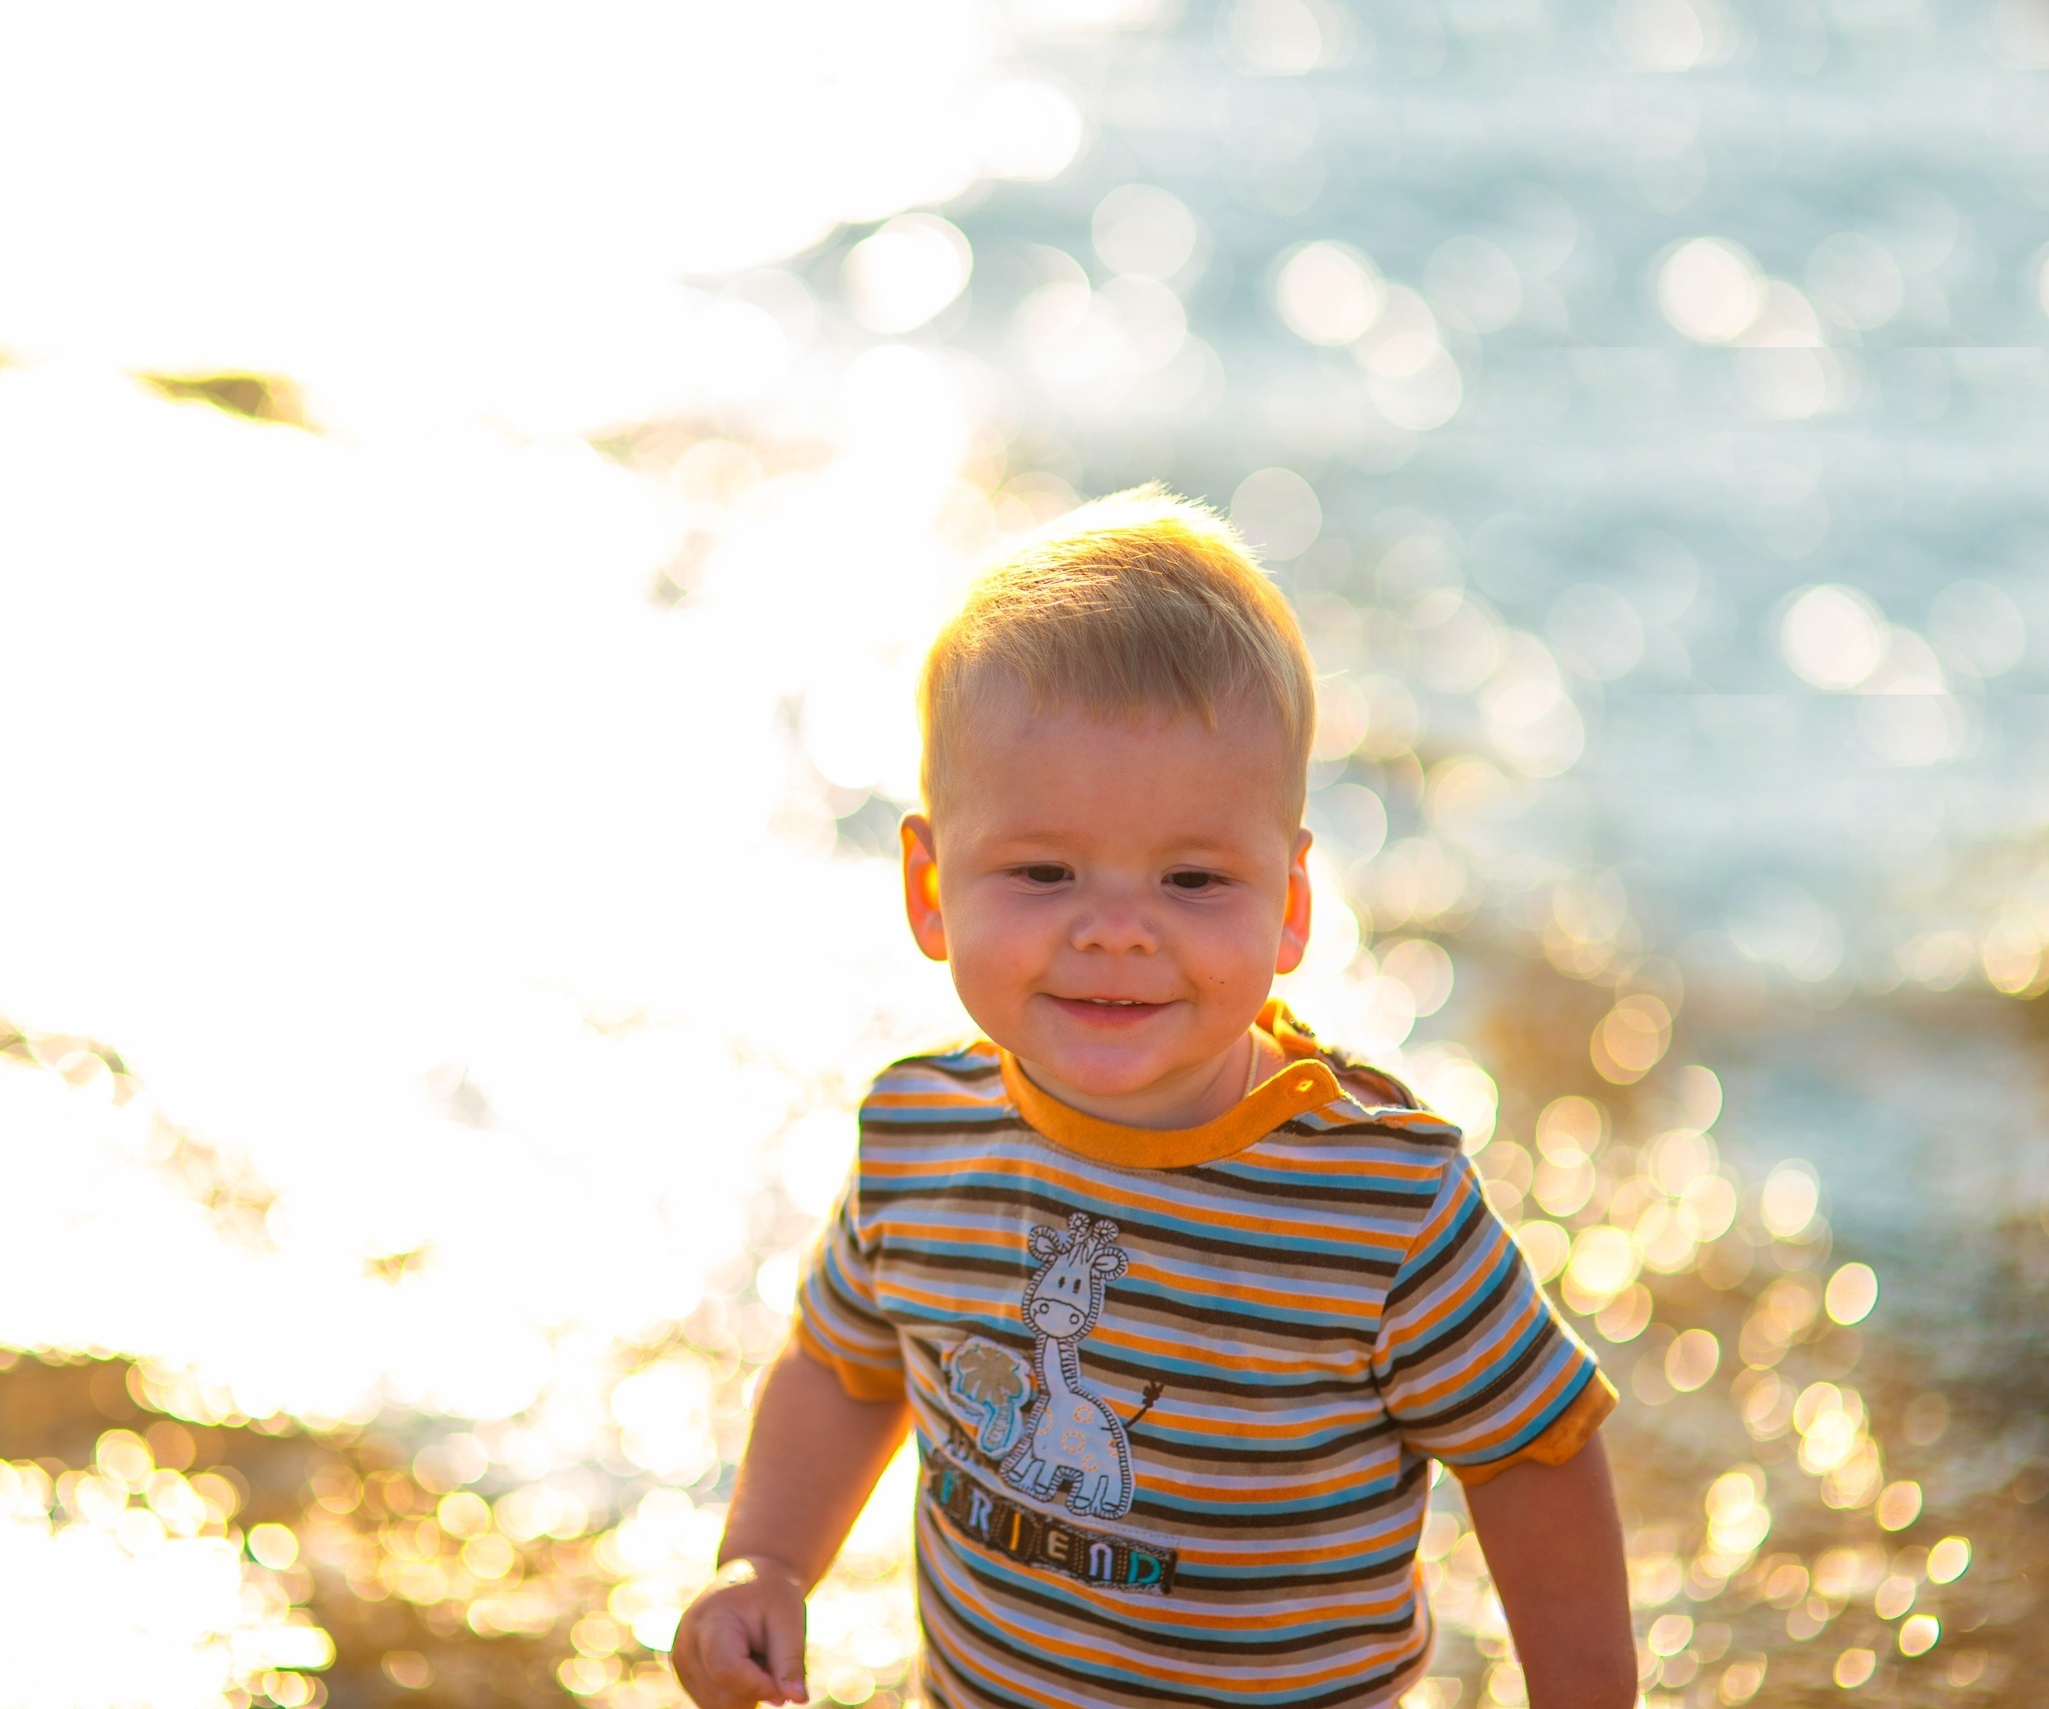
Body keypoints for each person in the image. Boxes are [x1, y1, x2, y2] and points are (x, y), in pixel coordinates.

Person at [670, 488, 1637, 1709]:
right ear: (928, 886)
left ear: (1290, 907)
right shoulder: (918, 1134)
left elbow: (1530, 1453)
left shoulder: (1379, 1201)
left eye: (1191, 878)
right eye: (1043, 870)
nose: (1116, 929)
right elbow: (842, 1363)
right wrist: (763, 1558)